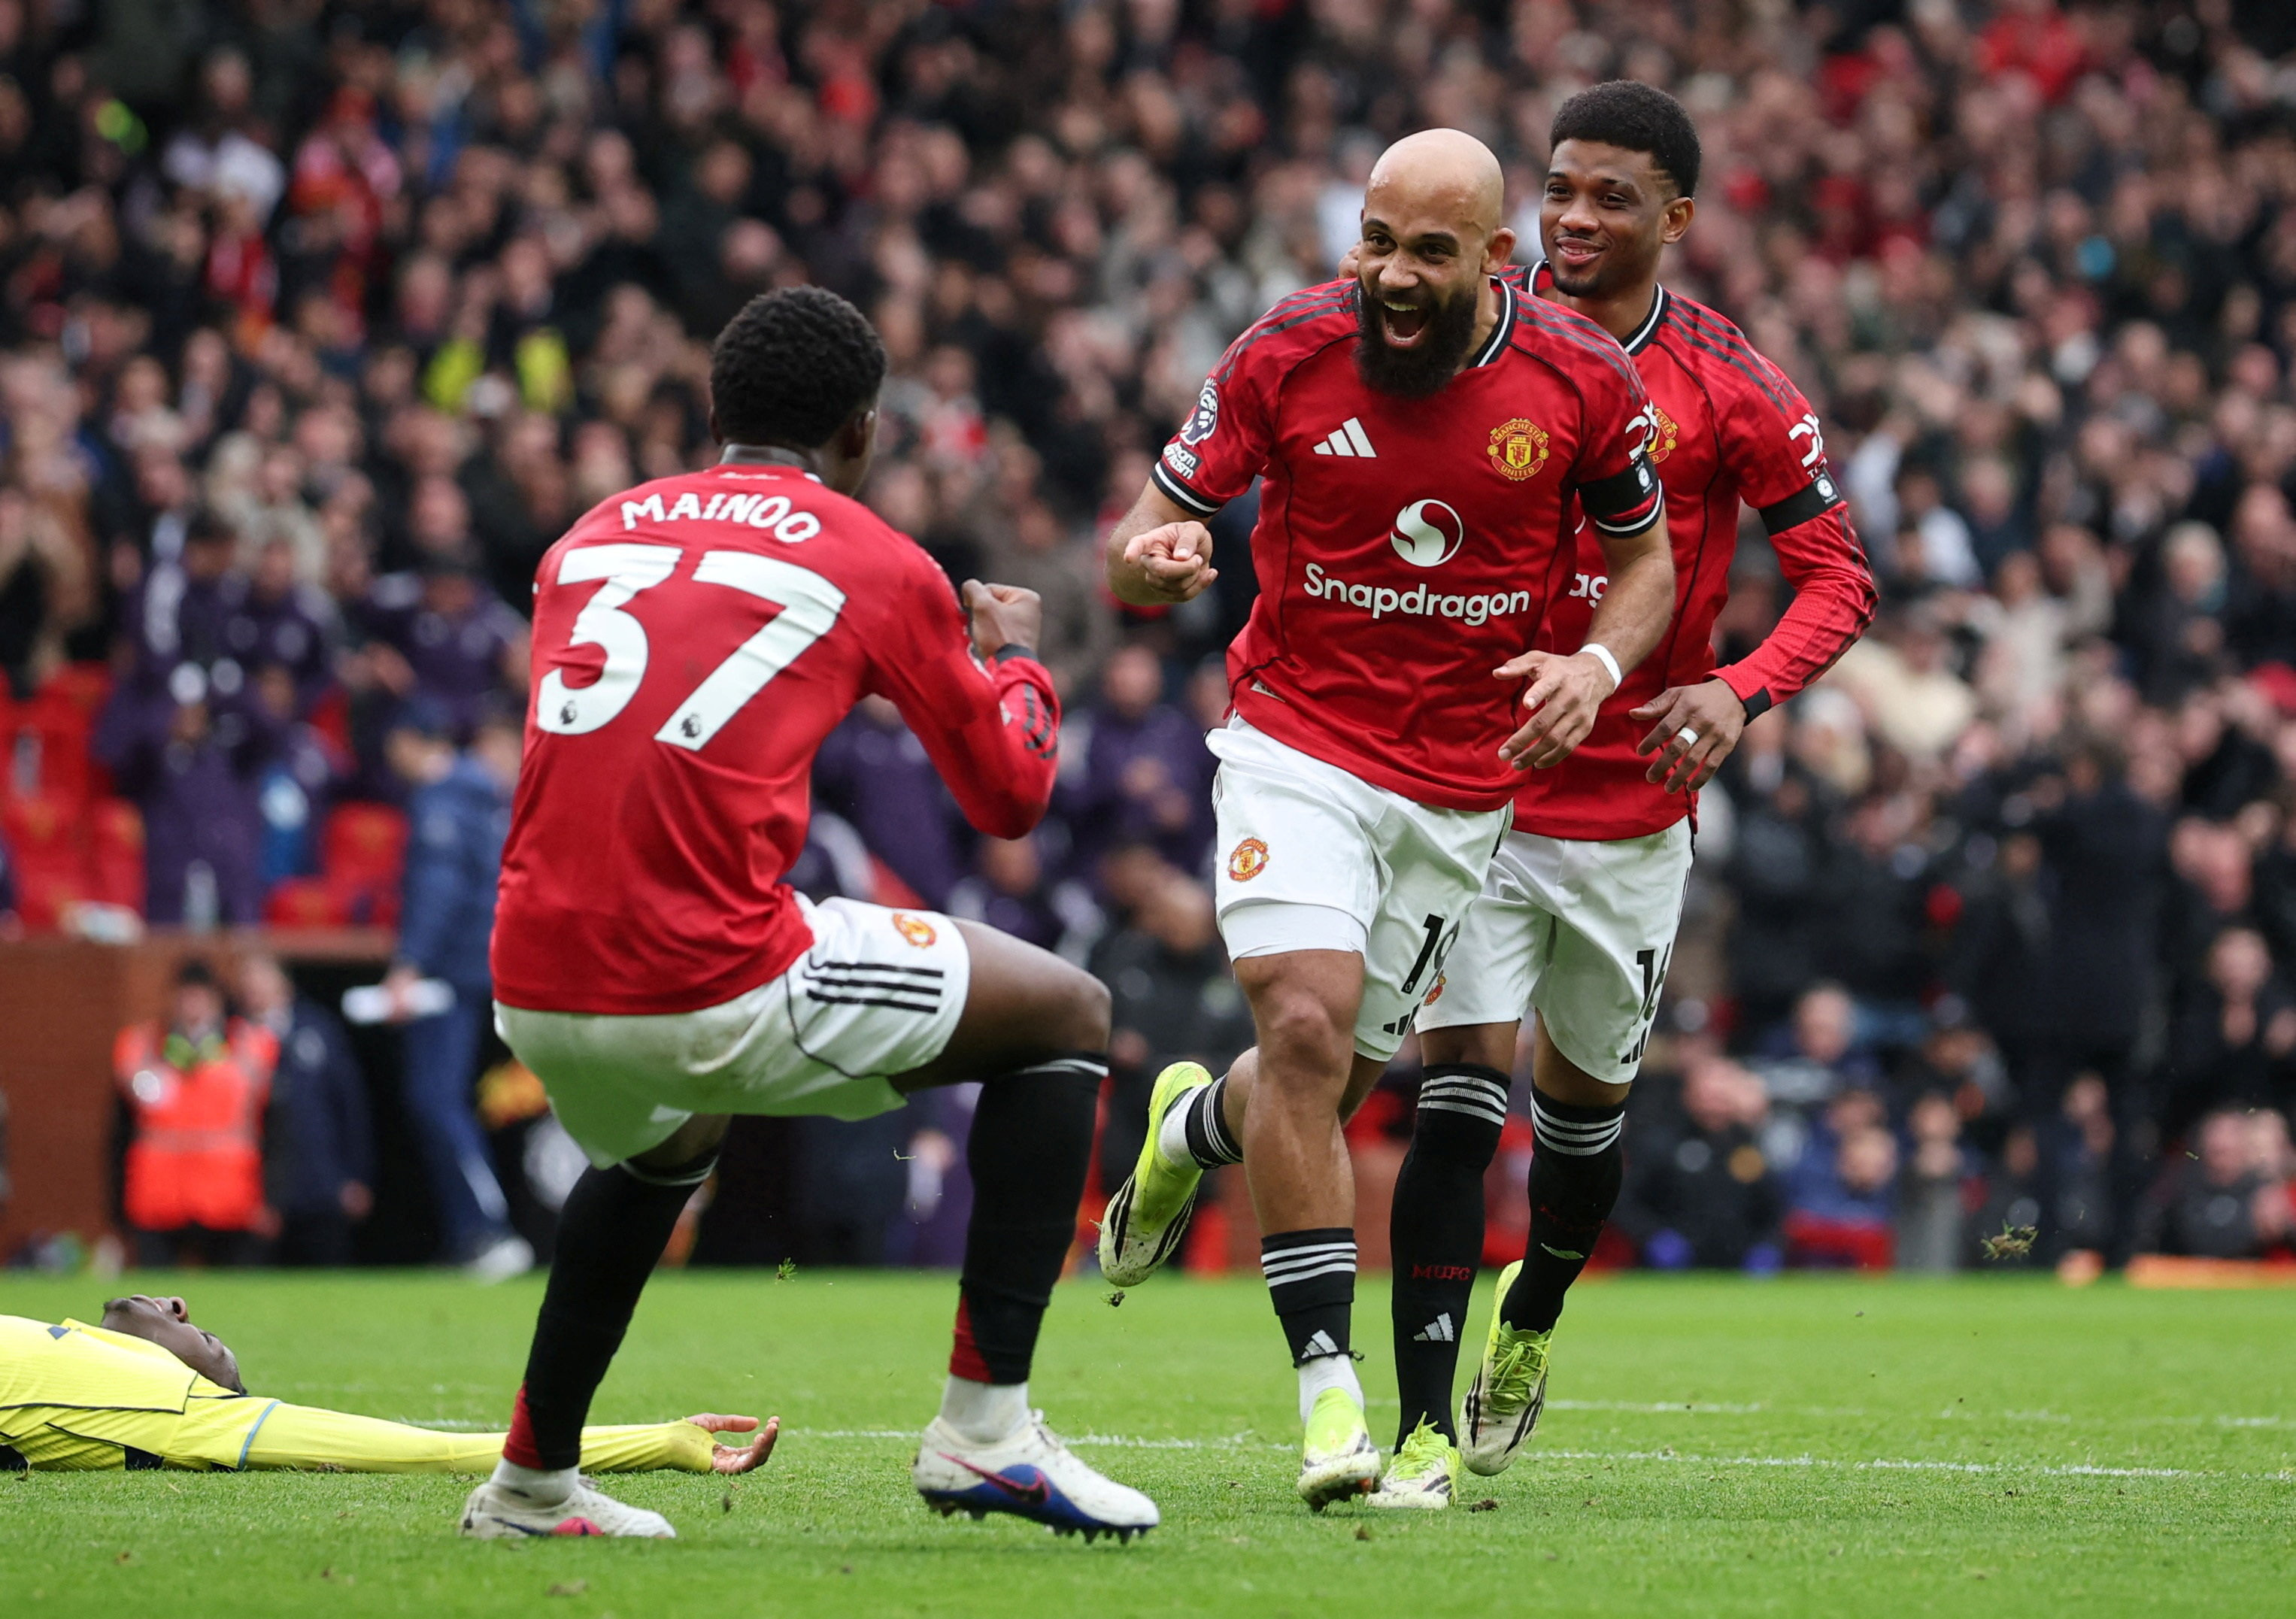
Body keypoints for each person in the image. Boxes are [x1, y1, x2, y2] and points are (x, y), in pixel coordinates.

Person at [471, 287, 1156, 1542]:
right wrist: (1012, 659)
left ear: (713, 411)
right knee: (1066, 1009)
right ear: (862, 431)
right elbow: (1009, 796)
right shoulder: (867, 550)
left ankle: (527, 1484)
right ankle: (985, 1433)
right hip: (701, 973)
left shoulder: (586, 535)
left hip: (530, 975)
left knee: (665, 1143)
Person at [1096, 126, 1672, 1509]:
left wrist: (1593, 666)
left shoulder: (1581, 379)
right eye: (1375, 242)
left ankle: (1188, 1136)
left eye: (1428, 252)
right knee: (1299, 1022)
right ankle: (1326, 1397)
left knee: (1326, 1083)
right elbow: (1135, 535)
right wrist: (1149, 562)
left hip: (1457, 789)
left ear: (1494, 257)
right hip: (1294, 742)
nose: (1392, 277)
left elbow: (1643, 559)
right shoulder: (1282, 351)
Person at [1379, 83, 1876, 1502]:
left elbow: (1839, 576)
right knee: (1455, 1092)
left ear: (1676, 219)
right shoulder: (1465, 328)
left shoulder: (1734, 382)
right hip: (1470, 782)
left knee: (1579, 1126)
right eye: (1556, 189)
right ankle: (1419, 1424)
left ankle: (1527, 1318)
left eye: (1608, 198)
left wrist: (1736, 688)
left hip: (1630, 813)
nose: (1572, 219)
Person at [0, 1294, 775, 1477]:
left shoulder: (179, 1409)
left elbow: (437, 1450)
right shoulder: (75, 1338)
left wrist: (665, 1440)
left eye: (199, 1338)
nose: (177, 1303)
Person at [381, 700, 531, 1278]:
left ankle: (485, 1229)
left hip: (448, 972)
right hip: (484, 965)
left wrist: (409, 963)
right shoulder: (489, 799)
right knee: (440, 1099)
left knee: (435, 1100)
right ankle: (476, 1231)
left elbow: (438, 888)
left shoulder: (443, 796)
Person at [113, 959, 279, 1267]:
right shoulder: (142, 1045)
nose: (193, 1005)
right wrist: (117, 1205)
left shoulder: (250, 1045)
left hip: (229, 1195)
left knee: (232, 1296)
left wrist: (273, 1197)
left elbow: (277, 1127)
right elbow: (120, 1132)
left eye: (201, 996)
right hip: (159, 1194)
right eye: (185, 996)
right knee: (155, 1299)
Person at [236, 951, 374, 1266]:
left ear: (283, 982)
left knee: (328, 1274)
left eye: (260, 977)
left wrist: (356, 1175)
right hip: (258, 1190)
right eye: (246, 980)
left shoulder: (318, 1028)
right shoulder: (233, 1036)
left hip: (321, 1182)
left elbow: (349, 1105)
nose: (252, 987)